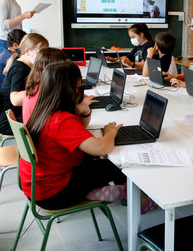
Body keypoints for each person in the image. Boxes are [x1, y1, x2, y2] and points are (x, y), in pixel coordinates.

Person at [20, 60, 126, 210]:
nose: (80, 89)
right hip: (53, 193)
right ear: (69, 89)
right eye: (79, 85)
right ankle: (135, 199)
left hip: (37, 186)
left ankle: (99, 191)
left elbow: (78, 130)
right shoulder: (61, 120)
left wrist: (83, 110)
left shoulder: (44, 109)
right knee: (111, 166)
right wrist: (110, 133)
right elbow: (102, 148)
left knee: (90, 158)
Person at [21, 47, 92, 125]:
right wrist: (82, 107)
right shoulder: (49, 95)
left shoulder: (35, 87)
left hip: (35, 134)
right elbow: (78, 126)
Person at [0, 33, 48, 135]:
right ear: (27, 51)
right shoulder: (20, 69)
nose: (44, 55)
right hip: (10, 121)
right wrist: (42, 89)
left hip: (12, 116)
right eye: (41, 52)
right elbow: (15, 100)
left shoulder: (22, 64)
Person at [0, 29, 27, 94]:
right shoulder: (10, 58)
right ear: (15, 45)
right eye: (24, 44)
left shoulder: (5, 53)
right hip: (6, 96)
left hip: (1, 93)